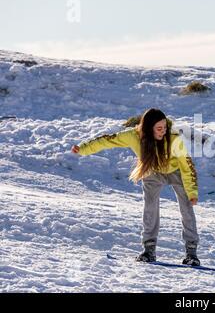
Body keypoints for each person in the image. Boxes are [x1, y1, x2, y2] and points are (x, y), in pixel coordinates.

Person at [71, 108, 200, 266]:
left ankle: (191, 253)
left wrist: (192, 192)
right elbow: (107, 140)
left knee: (186, 207)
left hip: (175, 172)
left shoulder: (174, 140)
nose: (163, 131)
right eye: (159, 128)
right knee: (150, 207)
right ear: (148, 128)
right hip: (153, 171)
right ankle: (149, 250)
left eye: (165, 127)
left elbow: (187, 167)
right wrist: (83, 148)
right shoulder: (134, 136)